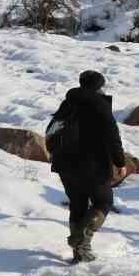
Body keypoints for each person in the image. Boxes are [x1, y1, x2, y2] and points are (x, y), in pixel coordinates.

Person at [50, 71, 126, 264]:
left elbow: (52, 132)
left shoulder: (68, 103)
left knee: (77, 204)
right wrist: (120, 162)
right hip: (91, 164)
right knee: (104, 202)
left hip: (64, 163)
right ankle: (82, 239)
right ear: (99, 86)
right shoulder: (99, 104)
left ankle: (79, 253)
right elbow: (112, 137)